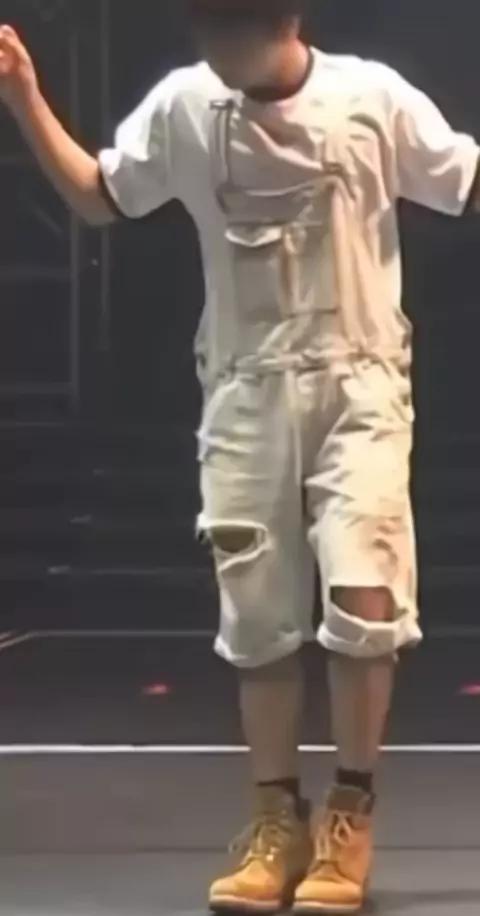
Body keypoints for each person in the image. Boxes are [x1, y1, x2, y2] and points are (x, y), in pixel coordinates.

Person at [1, 1, 479, 912]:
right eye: (206, 34)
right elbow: (100, 195)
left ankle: (350, 813)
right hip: (246, 391)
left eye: (232, 32)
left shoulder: (371, 98)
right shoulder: (186, 105)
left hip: (359, 387)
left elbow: (467, 176)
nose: (216, 51)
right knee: (257, 615)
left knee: (365, 596)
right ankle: (275, 820)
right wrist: (25, 96)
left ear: (285, 19)